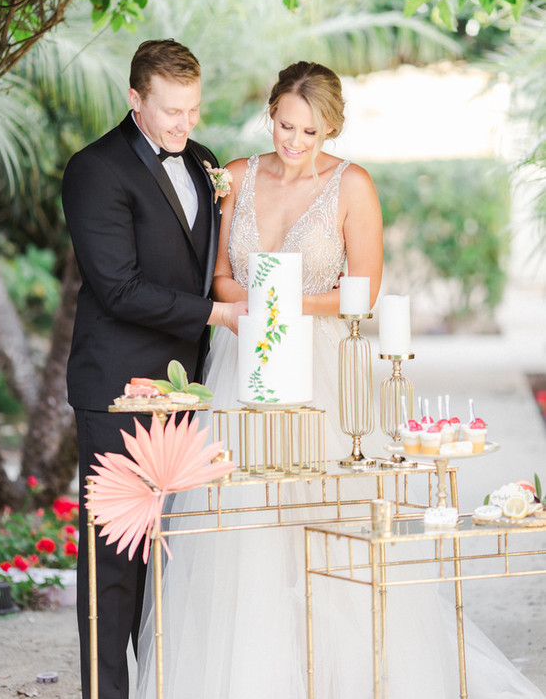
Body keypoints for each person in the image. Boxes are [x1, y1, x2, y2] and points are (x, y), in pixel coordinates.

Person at [136, 59, 546, 699]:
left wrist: (283, 306)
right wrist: (256, 311)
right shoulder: (236, 177)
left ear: (330, 131)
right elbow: (218, 278)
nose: (293, 143)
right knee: (241, 523)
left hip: (323, 371)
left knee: (326, 519)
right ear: (271, 112)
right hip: (242, 366)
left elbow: (365, 291)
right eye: (284, 125)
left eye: (309, 132)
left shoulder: (352, 186)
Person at [62, 38, 246, 699]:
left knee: (174, 557)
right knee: (115, 561)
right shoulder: (94, 170)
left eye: (193, 108)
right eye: (170, 110)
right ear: (135, 99)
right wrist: (215, 316)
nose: (185, 124)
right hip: (118, 389)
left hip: (191, 389)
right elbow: (118, 286)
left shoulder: (202, 161)